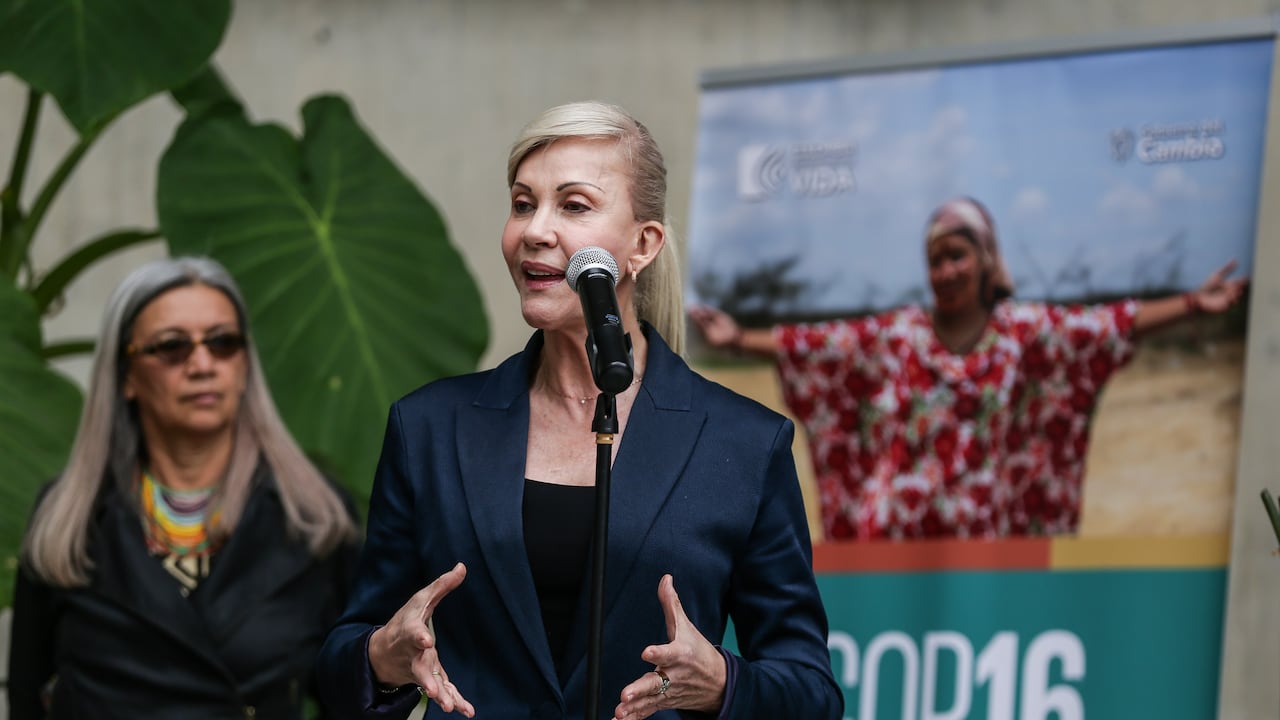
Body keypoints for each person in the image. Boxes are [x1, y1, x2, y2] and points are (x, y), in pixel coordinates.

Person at [315, 101, 842, 720]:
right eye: (521, 203)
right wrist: (381, 655)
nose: (535, 230)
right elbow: (339, 663)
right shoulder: (428, 429)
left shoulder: (745, 444)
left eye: (573, 205)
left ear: (642, 245)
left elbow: (811, 693)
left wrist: (723, 683)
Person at [689, 196, 1249, 541]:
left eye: (959, 255)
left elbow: (1107, 325)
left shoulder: (1022, 336)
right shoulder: (899, 336)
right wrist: (736, 339)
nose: (948, 269)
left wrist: (1192, 305)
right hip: (895, 550)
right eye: (937, 259)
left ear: (987, 260)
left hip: (988, 551)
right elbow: (814, 347)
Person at [7, 256, 361, 719]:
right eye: (172, 347)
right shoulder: (67, 521)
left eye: (223, 343)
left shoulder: (315, 516)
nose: (202, 364)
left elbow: (352, 695)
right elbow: (27, 696)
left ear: (245, 364)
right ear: (126, 375)